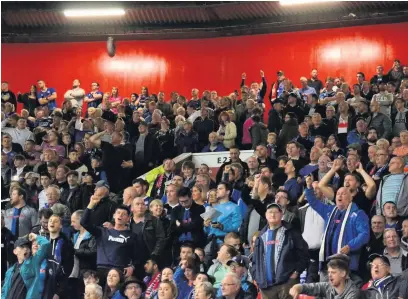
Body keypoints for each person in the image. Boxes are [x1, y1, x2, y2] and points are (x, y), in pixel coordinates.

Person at [305, 184, 369, 286]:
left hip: (345, 266)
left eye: (343, 194)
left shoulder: (358, 214)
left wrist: (350, 246)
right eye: (338, 193)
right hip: (326, 265)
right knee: (326, 294)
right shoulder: (330, 210)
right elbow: (313, 202)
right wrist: (309, 187)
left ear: (350, 197)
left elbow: (365, 235)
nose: (339, 196)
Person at [251, 203, 309, 298]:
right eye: (270, 212)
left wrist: (296, 272)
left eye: (276, 212)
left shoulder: (291, 232)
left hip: (286, 283)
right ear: (265, 215)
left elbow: (304, 254)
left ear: (282, 214)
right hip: (266, 287)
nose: (273, 215)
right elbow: (255, 261)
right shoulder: (260, 237)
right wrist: (257, 277)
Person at [80, 201, 139, 287]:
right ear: (114, 215)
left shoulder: (132, 236)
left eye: (124, 214)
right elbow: (84, 223)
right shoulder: (102, 231)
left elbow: (138, 256)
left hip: (118, 271)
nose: (120, 215)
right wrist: (91, 205)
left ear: (128, 218)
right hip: (101, 270)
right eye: (118, 213)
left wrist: (132, 267)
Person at [289, 254, 361, 299]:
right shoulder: (328, 286)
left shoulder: (353, 293)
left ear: (343, 273)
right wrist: (297, 288)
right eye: (328, 272)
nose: (329, 275)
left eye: (333, 272)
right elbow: (310, 287)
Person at [129, 197, 166, 278]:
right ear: (132, 208)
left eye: (143, 204)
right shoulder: (127, 222)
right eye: (137, 204)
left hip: (148, 259)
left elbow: (161, 238)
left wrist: (154, 256)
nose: (141, 206)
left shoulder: (154, 220)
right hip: (131, 261)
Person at [43, 214, 75, 299]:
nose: (52, 222)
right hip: (41, 286)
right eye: (50, 220)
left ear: (61, 225)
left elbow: (67, 269)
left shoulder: (66, 244)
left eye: (55, 221)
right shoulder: (42, 242)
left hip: (57, 288)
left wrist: (59, 292)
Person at [70, 209, 97, 297]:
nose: (71, 224)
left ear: (81, 220)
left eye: (73, 221)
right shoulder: (75, 235)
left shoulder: (92, 235)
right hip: (75, 273)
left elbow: (93, 251)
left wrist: (75, 251)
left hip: (87, 272)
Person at [170, 187, 206, 254]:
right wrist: (184, 226)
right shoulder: (175, 210)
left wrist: (180, 224)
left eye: (186, 201)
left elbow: (195, 225)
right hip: (179, 243)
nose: (183, 203)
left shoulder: (200, 208)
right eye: (181, 201)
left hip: (195, 243)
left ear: (191, 197)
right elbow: (173, 227)